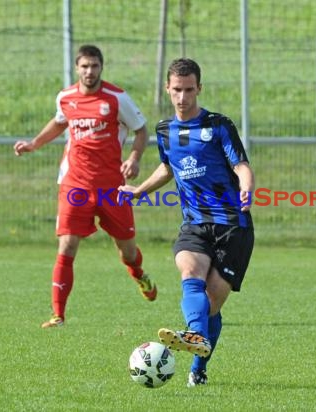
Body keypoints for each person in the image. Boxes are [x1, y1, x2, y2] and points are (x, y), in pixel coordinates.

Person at [119, 58, 255, 387]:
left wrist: (247, 187)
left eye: (189, 90)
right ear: (168, 89)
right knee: (189, 272)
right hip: (194, 225)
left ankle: (198, 368)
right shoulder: (165, 131)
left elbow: (241, 165)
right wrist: (140, 191)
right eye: (177, 90)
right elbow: (168, 167)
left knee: (211, 306)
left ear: (199, 89)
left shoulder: (219, 125)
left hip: (233, 227)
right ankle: (194, 334)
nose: (183, 97)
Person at [13, 44, 157, 328]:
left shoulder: (116, 98)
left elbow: (141, 130)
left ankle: (139, 274)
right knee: (66, 245)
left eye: (94, 66)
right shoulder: (66, 98)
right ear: (77, 68)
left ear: (101, 67)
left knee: (127, 251)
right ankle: (58, 315)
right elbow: (58, 123)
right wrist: (33, 144)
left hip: (111, 187)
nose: (89, 71)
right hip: (74, 184)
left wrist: (134, 158)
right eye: (84, 66)